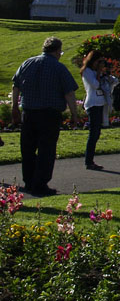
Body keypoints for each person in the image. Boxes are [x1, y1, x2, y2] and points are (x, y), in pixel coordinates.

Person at [11, 36, 79, 196]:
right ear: (57, 51)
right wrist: (74, 114)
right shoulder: (59, 68)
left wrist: (15, 107)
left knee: (27, 148)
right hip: (50, 114)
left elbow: (16, 86)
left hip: (29, 112)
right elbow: (69, 93)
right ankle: (40, 183)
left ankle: (29, 180)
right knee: (46, 150)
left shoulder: (27, 63)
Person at [80, 51, 116, 171]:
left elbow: (113, 81)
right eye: (99, 61)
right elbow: (95, 85)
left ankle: (90, 160)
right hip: (93, 104)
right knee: (93, 133)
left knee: (97, 133)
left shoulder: (96, 72)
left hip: (102, 103)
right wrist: (100, 72)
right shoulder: (87, 71)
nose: (101, 64)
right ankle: (88, 161)